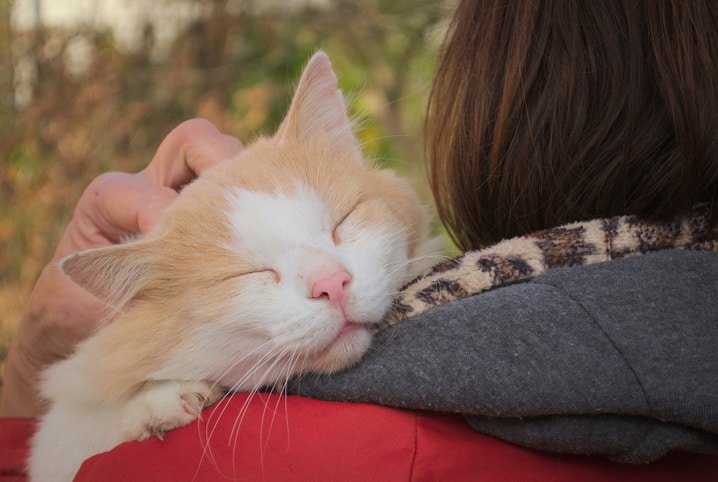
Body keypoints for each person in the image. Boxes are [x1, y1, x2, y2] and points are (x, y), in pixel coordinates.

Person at [2, 1, 717, 480]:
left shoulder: (305, 452)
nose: (331, 279)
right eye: (251, 275)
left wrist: (31, 362)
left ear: (491, 126)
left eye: (341, 229)